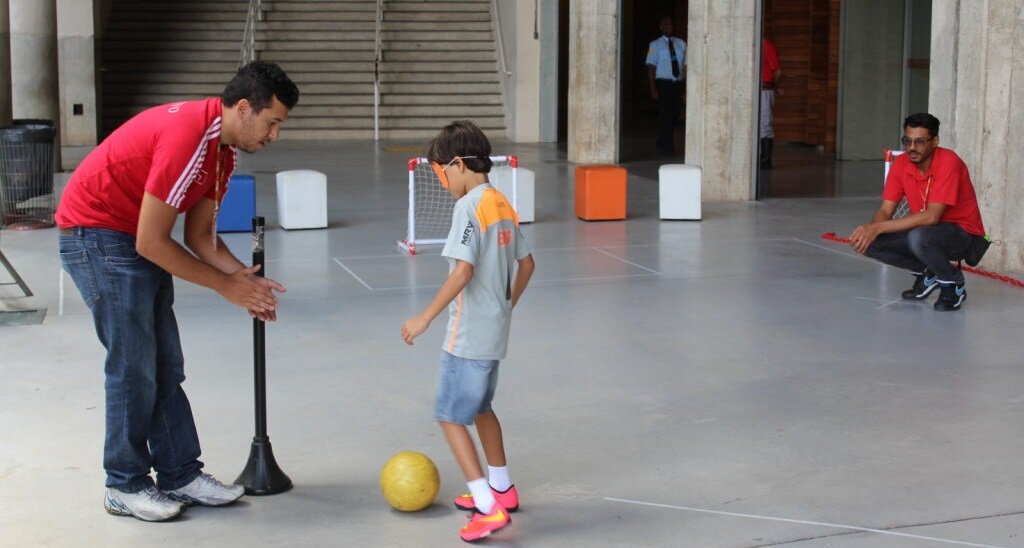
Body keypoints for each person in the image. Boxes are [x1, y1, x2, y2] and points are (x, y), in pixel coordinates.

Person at [55, 61, 299, 521]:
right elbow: (152, 242)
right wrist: (227, 287)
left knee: (165, 364)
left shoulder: (222, 152)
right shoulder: (189, 136)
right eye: (272, 123)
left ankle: (179, 474)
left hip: (129, 237)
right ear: (244, 109)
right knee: (133, 368)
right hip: (97, 235)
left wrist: (245, 279)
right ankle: (123, 484)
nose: (274, 136)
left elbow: (201, 236)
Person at [400, 120, 535, 542]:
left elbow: (463, 269)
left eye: (442, 172)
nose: (442, 182)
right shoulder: (500, 202)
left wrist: (424, 317)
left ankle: (485, 505)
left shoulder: (469, 206)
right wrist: (506, 304)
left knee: (449, 415)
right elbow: (527, 264)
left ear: (458, 163)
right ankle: (502, 487)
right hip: (494, 331)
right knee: (481, 408)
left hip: (467, 334)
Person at [849, 113, 986, 312]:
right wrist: (871, 230)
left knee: (919, 237)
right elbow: (886, 209)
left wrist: (877, 227)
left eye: (920, 142)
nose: (912, 148)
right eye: (907, 141)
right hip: (926, 233)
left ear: (935, 141)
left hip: (963, 235)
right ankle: (931, 272)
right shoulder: (901, 164)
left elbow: (932, 216)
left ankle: (953, 283)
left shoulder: (949, 162)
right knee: (871, 244)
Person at [646, 15, 687, 155]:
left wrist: (686, 88)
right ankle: (668, 147)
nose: (669, 27)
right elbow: (651, 67)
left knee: (676, 114)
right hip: (663, 84)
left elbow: (685, 67)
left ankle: (662, 140)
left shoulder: (681, 44)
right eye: (666, 24)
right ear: (661, 27)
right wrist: (653, 89)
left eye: (670, 24)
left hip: (677, 84)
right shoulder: (654, 45)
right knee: (666, 116)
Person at [759, 38, 782, 169]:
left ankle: (766, 160)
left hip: (764, 89)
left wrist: (775, 86)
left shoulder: (765, 45)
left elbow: (777, 71)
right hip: (752, 90)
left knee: (764, 125)